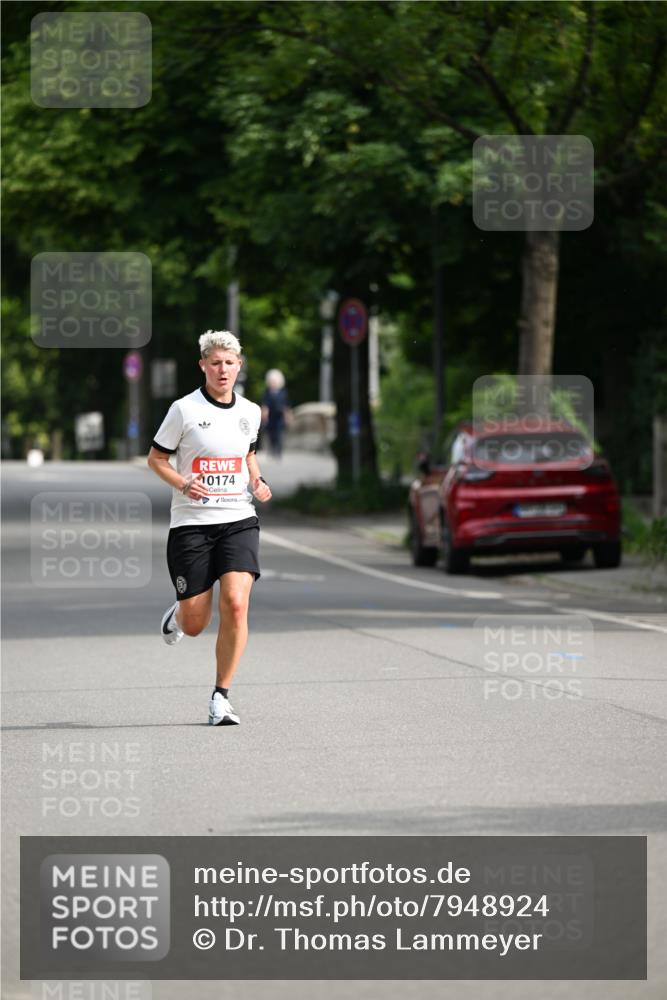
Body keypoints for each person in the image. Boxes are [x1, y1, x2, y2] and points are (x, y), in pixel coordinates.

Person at [147, 330, 272, 726]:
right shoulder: (183, 410)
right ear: (203, 365)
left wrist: (257, 480)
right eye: (215, 363)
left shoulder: (250, 411)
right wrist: (183, 482)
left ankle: (221, 696)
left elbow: (247, 453)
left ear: (239, 366)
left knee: (236, 603)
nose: (223, 370)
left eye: (229, 363)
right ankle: (180, 615)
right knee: (197, 624)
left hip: (238, 518)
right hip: (192, 525)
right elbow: (156, 459)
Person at [260, 368, 291, 458]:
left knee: (279, 434)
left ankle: (278, 451)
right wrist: (264, 416)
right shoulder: (267, 392)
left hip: (280, 417)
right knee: (271, 434)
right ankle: (272, 450)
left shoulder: (283, 392)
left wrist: (287, 417)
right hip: (271, 417)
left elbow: (286, 406)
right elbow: (264, 405)